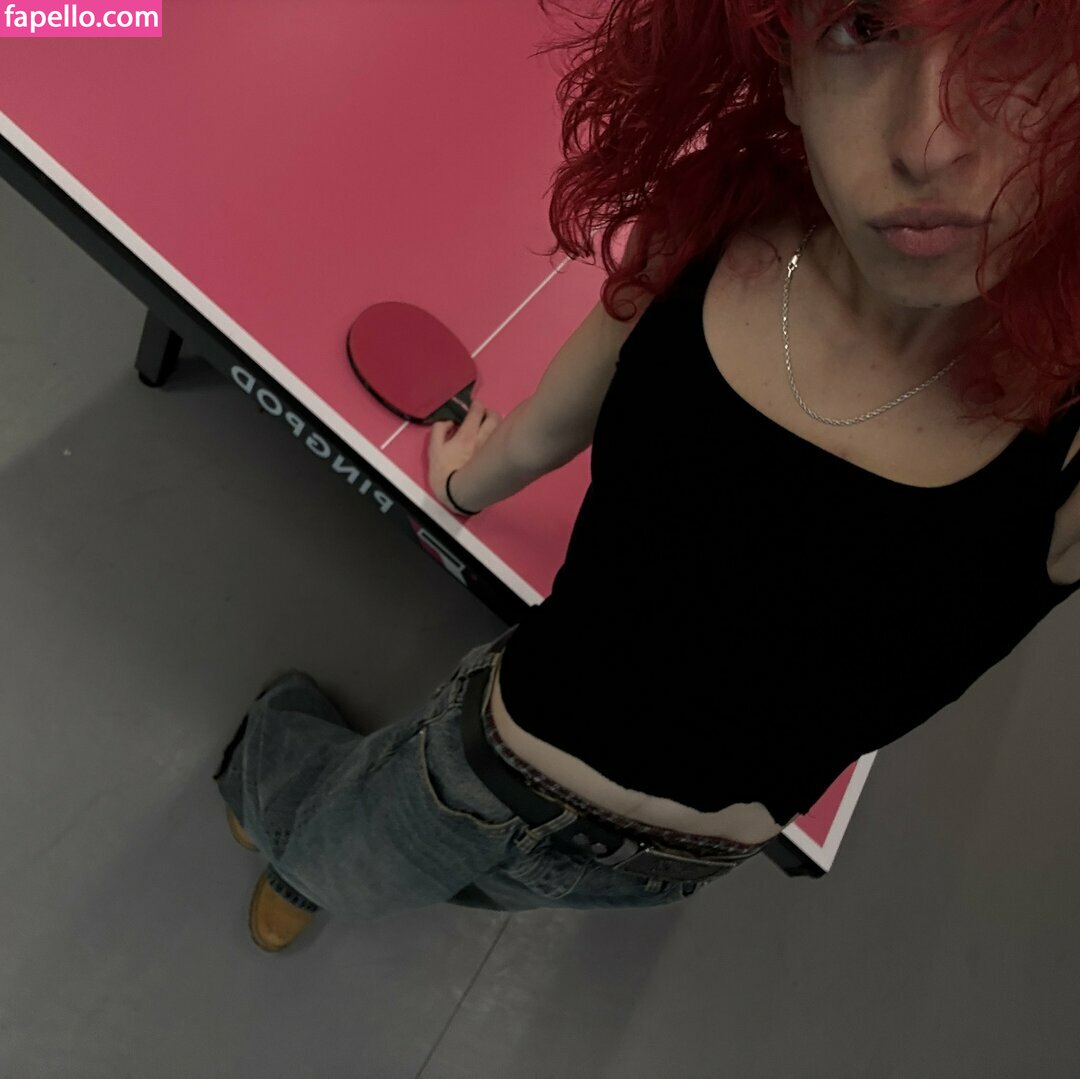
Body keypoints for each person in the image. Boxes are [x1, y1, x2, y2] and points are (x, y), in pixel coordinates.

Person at [214, 0, 1080, 952]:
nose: (930, 141)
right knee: (341, 851)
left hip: (678, 865)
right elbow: (558, 417)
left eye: (1020, 28)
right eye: (863, 24)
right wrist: (462, 486)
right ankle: (287, 839)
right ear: (785, 65)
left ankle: (289, 827)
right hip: (483, 772)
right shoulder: (709, 232)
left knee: (469, 883)